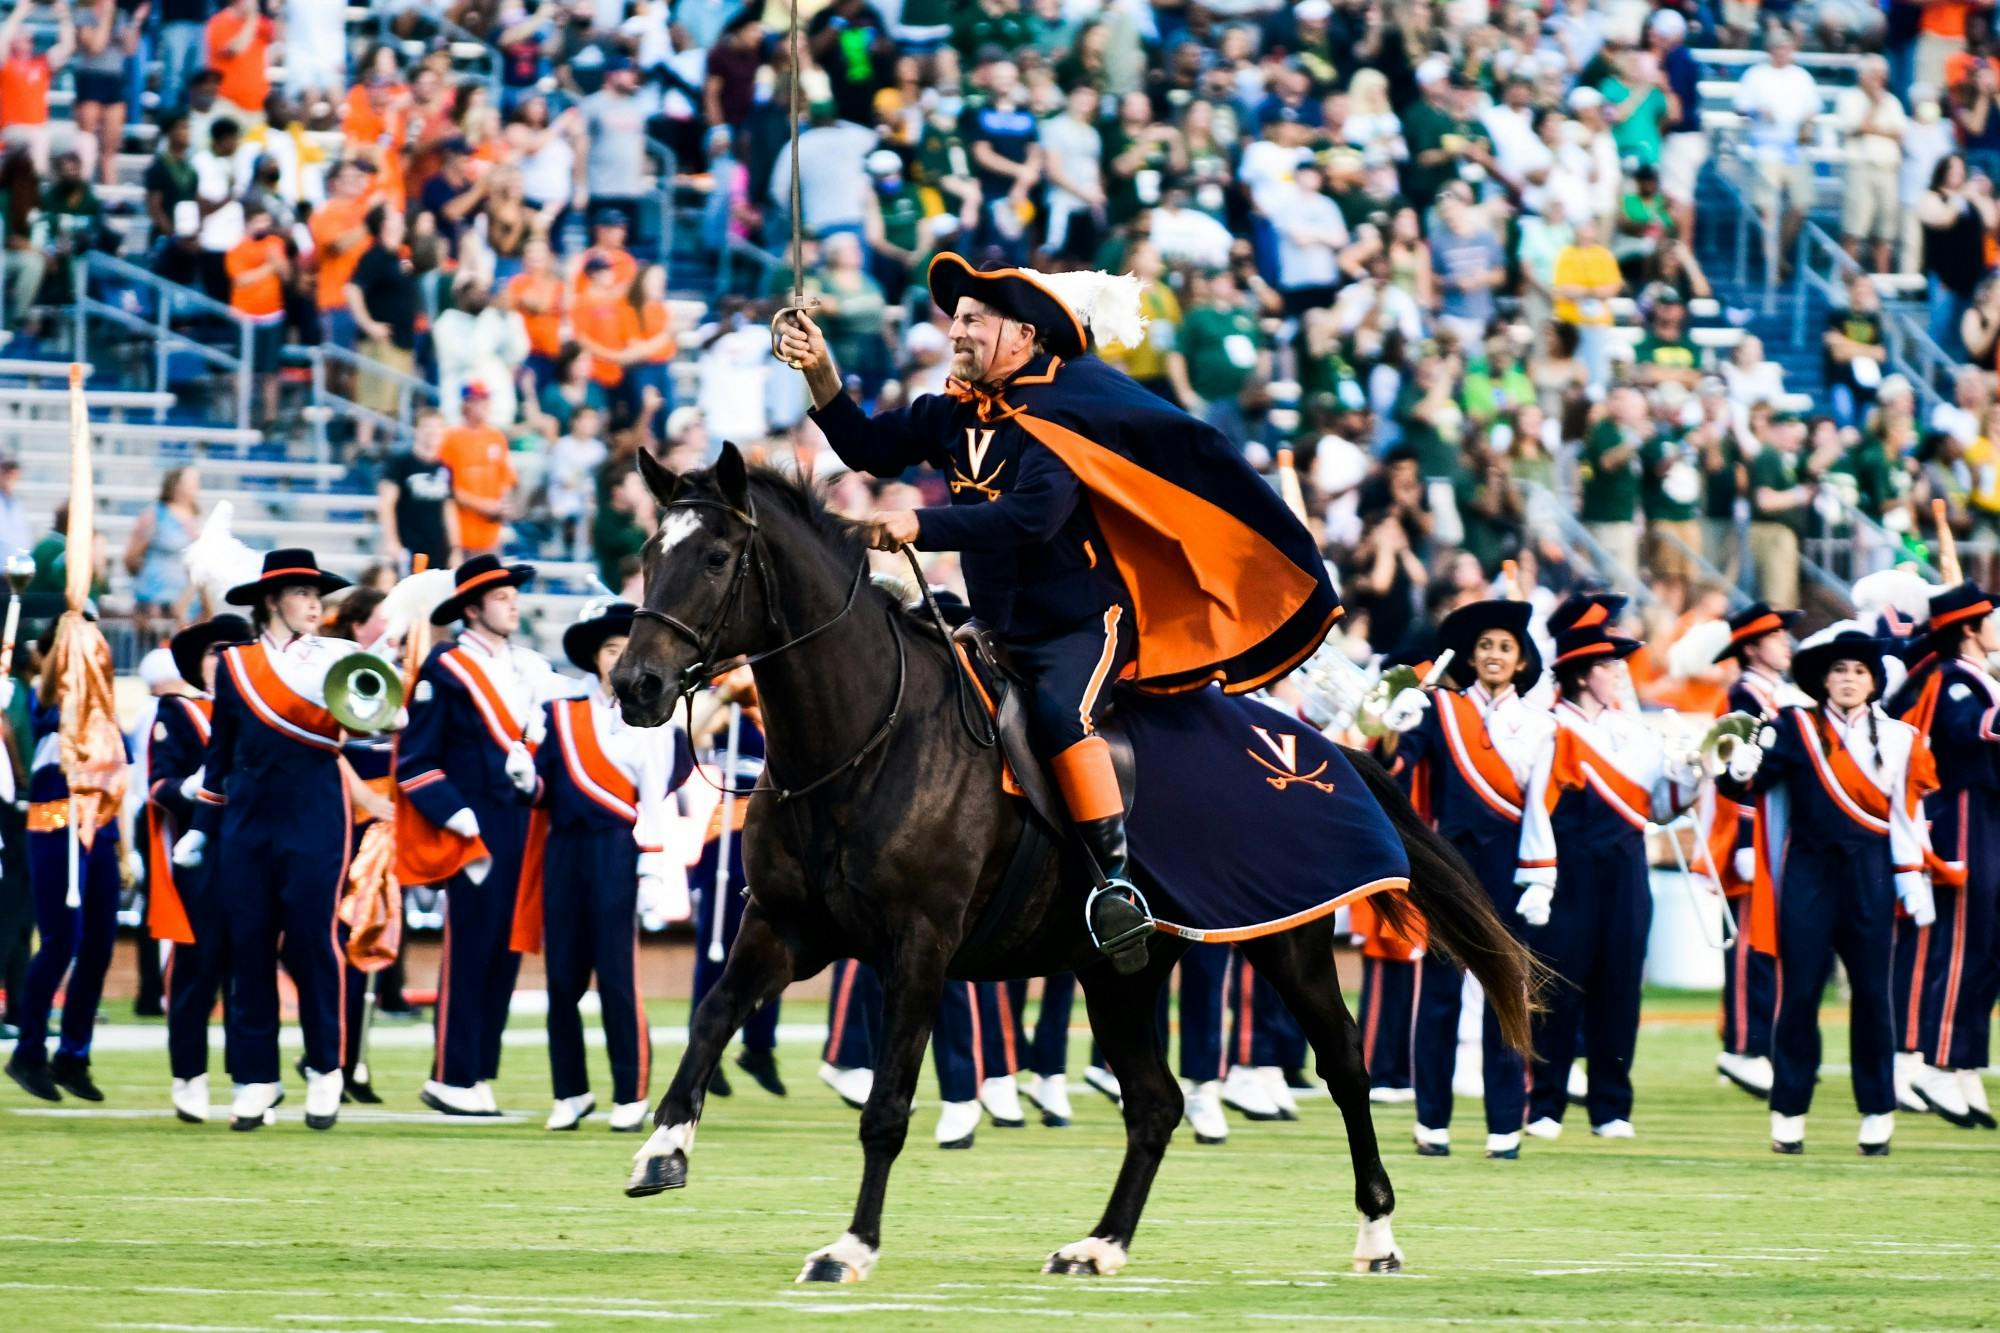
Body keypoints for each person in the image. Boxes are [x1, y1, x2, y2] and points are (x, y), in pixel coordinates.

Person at [777, 256, 1339, 969]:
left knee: (1059, 714)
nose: (959, 331)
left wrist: (925, 525)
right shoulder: (949, 412)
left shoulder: (1062, 414)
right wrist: (820, 369)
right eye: (958, 319)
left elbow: (1031, 517)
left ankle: (1116, 886)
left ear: (1023, 334)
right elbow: (866, 447)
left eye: (976, 319)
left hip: (1080, 623)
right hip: (998, 624)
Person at [1719, 629, 1937, 1156]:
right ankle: (1789, 1113)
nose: (1848, 680)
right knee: (1798, 996)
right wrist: (1737, 769)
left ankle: (1877, 1112)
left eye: (1859, 671)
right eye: (1839, 671)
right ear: (1821, 679)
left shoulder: (1898, 737)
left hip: (1871, 875)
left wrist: (1913, 878)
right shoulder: (1795, 727)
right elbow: (1745, 784)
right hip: (1809, 875)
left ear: (1873, 681)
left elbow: (1909, 815)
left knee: (1872, 996)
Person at [173, 551, 353, 1132]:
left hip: (315, 814)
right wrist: (203, 828)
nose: (314, 604)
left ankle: (326, 1068)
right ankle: (255, 1079)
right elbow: (219, 755)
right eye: (302, 593)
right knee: (247, 947)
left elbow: (375, 722)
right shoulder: (236, 667)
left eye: (317, 594)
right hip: (246, 822)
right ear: (272, 600)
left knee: (310, 943)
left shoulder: (339, 659)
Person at [1378, 598, 1555, 1159]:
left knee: (1507, 992)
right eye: (1485, 647)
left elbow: (1540, 810)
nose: (1494, 655)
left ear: (1521, 661)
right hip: (1448, 866)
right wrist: (1392, 723)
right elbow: (1396, 767)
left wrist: (1539, 878)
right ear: (1472, 658)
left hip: (1508, 866)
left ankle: (1505, 1125)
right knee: (1439, 997)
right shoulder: (1440, 710)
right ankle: (1432, 1122)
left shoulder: (1540, 724)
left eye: (1505, 647)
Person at [513, 599, 690, 1132]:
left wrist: (652, 868)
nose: (622, 658)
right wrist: (523, 778)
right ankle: (570, 1092)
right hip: (564, 851)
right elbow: (544, 791)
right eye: (613, 650)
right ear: (596, 659)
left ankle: (630, 1094)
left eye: (628, 649)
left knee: (617, 977)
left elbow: (657, 795)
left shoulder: (654, 718)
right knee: (562, 978)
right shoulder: (558, 713)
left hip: (617, 849)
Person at [1523, 620, 1701, 1140]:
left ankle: (1611, 1107)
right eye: (1607, 666)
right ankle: (1546, 1104)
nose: (1619, 675)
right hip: (1570, 871)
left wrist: (1692, 774)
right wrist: (1538, 878)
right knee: (1557, 986)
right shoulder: (1552, 727)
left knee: (1620, 988)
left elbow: (1659, 810)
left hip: (1626, 872)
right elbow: (1538, 807)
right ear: (1581, 675)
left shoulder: (1636, 730)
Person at [396, 554, 560, 1116]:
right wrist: (458, 819)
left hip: (521, 823)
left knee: (505, 954)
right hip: (473, 833)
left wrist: (534, 774)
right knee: (469, 953)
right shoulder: (445, 669)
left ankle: (478, 1072)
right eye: (500, 596)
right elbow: (415, 762)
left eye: (514, 594)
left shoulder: (528, 667)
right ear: (472, 608)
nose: (513, 602)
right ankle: (450, 1074)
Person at [1885, 584, 2000, 1130]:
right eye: (1991, 619)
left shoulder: (1979, 680)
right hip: (1962, 813)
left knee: (1988, 946)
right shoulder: (1950, 681)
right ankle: (1938, 1059)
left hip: (1990, 814)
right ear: (1969, 631)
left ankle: (1965, 1062)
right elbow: (1967, 735)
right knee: (1960, 943)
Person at [2, 618, 127, 1104]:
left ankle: (74, 1053)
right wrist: (68, 635)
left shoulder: (105, 703)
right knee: (60, 941)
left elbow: (121, 776)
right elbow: (52, 686)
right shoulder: (48, 695)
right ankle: (29, 1049)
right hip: (56, 824)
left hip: (100, 826)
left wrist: (121, 843)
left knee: (99, 945)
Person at [149, 613, 252, 1123]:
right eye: (217, 651)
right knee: (197, 967)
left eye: (236, 649)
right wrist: (193, 788)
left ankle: (248, 1080)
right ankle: (189, 1074)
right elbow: (158, 785)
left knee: (248, 973)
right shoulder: (179, 712)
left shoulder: (259, 711)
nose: (226, 658)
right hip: (201, 854)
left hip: (253, 851)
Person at [1705, 602, 1801, 1101]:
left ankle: (1757, 1042)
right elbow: (1735, 774)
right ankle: (1743, 1046)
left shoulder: (1774, 694)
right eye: (1776, 636)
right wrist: (1744, 840)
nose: (1786, 643)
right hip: (1751, 832)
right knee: (1749, 943)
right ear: (1751, 647)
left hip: (1774, 830)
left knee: (1768, 942)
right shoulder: (1743, 695)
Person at [685, 668, 785, 1098]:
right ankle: (704, 1048)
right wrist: (727, 693)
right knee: (718, 948)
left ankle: (758, 1044)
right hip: (728, 838)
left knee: (777, 948)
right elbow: (692, 731)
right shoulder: (727, 708)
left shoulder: (783, 709)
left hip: (777, 839)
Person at [377, 409, 459, 572]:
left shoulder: (445, 468)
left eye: (438, 427)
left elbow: (449, 509)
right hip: (408, 545)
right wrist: (392, 541)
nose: (432, 432)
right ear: (417, 430)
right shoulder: (400, 462)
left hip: (438, 546)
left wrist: (455, 548)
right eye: (427, 427)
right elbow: (386, 504)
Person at [439, 385, 516, 558]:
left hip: (490, 536)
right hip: (461, 535)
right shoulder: (450, 438)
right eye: (479, 400)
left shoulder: (496, 437)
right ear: (467, 404)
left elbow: (506, 478)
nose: (486, 405)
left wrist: (502, 505)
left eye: (486, 400)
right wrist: (483, 505)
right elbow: (447, 489)